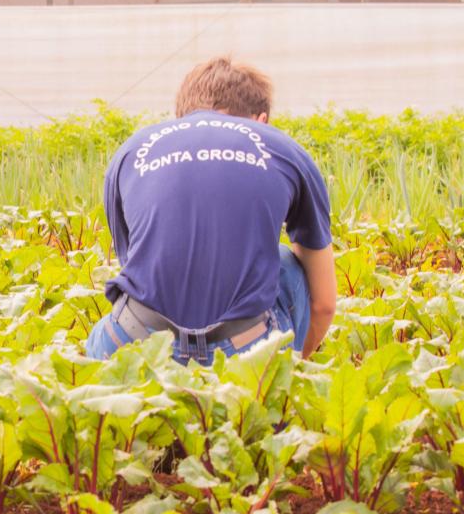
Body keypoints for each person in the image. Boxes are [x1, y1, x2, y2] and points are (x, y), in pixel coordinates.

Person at [86, 56, 336, 365]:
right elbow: (324, 303)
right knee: (286, 262)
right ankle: (276, 377)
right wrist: (289, 368)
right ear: (261, 122)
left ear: (182, 117)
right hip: (246, 350)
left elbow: (135, 266)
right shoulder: (281, 147)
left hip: (138, 344)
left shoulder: (133, 149)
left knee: (105, 333)